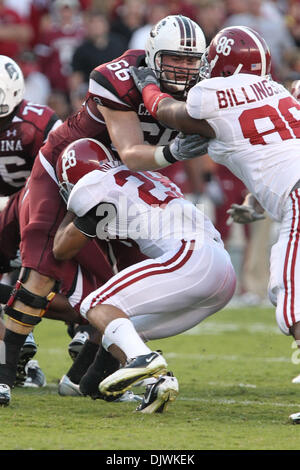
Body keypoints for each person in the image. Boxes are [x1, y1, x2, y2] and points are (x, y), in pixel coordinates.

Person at [0, 14, 208, 407]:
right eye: (173, 59)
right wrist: (175, 150)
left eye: (190, 61)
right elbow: (130, 150)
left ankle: (85, 380)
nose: (183, 69)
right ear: (151, 55)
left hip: (123, 182)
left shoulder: (204, 85)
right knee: (42, 268)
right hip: (68, 165)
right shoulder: (119, 77)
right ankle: (3, 374)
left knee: (127, 281)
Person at [129, 24, 300, 421]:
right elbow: (278, 148)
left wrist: (148, 86)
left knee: (290, 296)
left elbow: (169, 112)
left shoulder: (211, 93)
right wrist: (257, 200)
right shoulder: (277, 92)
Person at [53, 137, 236, 413]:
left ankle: (143, 360)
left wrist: (68, 212)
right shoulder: (146, 175)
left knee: (96, 304)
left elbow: (62, 249)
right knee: (123, 329)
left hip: (190, 256)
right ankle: (159, 383)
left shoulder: (91, 187)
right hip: (221, 268)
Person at [0, 54, 61, 388]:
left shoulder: (38, 121)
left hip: (37, 209)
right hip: (12, 210)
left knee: (50, 280)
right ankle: (20, 351)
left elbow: (63, 167)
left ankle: (83, 334)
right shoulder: (39, 119)